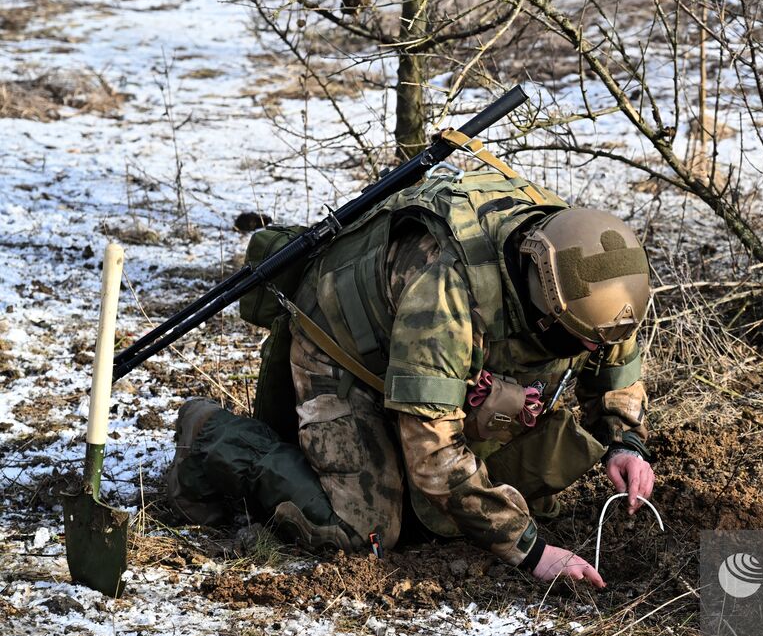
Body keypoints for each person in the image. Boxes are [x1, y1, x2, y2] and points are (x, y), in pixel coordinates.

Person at [165, 165, 655, 589]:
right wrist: (530, 551)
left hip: (426, 352)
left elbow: (614, 360)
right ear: (546, 307)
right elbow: (436, 456)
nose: (593, 349)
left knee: (476, 504)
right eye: (580, 339)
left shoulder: (589, 273)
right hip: (343, 349)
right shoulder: (447, 289)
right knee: (364, 532)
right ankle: (211, 436)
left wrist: (625, 442)